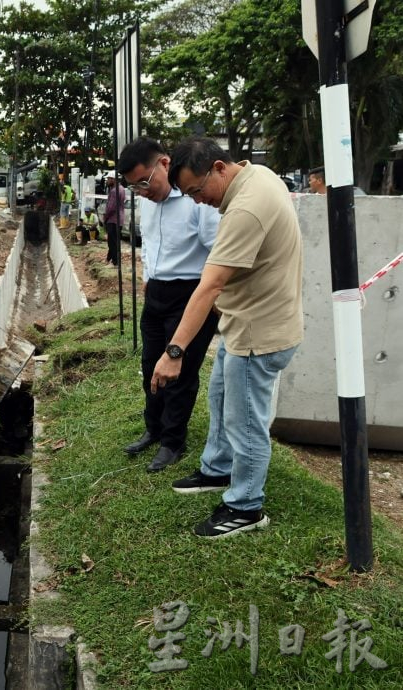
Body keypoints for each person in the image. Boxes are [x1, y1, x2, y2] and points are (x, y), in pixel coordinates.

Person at [155, 136, 303, 538]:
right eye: (188, 195)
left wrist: (174, 351)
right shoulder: (257, 176)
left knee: (246, 422)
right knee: (221, 396)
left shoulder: (247, 208)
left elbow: (209, 285)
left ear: (219, 168)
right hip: (245, 324)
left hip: (259, 333)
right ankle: (217, 469)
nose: (198, 201)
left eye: (197, 191)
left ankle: (246, 506)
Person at [117, 137, 221, 473]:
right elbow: (148, 241)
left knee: (179, 372)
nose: (142, 191)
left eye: (145, 182)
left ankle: (173, 441)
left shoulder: (196, 200)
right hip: (157, 293)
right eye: (134, 187)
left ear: (164, 163)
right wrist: (149, 273)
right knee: (150, 365)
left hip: (190, 294)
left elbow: (216, 250)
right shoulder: (147, 202)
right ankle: (155, 428)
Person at [103, 170, 126, 266]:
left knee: (112, 243)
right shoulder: (121, 189)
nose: (107, 181)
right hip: (119, 219)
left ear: (113, 179)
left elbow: (111, 207)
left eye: (108, 179)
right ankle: (109, 259)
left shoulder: (114, 191)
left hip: (113, 219)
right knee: (114, 241)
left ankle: (115, 262)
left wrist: (105, 217)